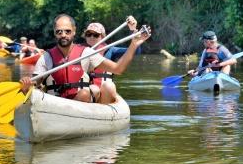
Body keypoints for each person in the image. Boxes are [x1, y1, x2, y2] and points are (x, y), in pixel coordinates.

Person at [20, 14, 150, 104]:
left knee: (86, 93)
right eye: (59, 32)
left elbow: (118, 69)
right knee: (36, 92)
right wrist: (26, 87)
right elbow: (35, 84)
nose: (63, 35)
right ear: (54, 33)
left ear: (74, 31)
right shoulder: (46, 57)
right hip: (54, 103)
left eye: (67, 31)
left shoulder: (86, 53)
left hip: (81, 103)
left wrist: (133, 44)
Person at [83, 17, 140, 104]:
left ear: (102, 37)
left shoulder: (110, 50)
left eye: (95, 35)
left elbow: (136, 51)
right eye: (88, 34)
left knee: (108, 86)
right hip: (88, 92)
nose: (91, 37)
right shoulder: (80, 51)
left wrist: (133, 30)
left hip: (105, 92)